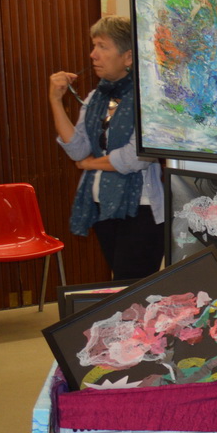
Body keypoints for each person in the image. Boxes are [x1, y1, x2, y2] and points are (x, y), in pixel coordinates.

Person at [48, 16, 163, 281]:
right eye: (94, 46)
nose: (93, 54)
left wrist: (89, 164)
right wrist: (56, 101)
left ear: (128, 56)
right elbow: (77, 149)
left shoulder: (149, 98)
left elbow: (136, 157)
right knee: (120, 284)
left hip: (140, 208)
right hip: (102, 203)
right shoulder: (97, 97)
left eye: (102, 46)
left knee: (131, 286)